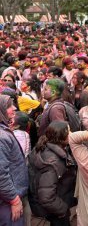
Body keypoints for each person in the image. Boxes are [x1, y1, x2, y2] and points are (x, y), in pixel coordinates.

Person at [28, 121, 77, 226]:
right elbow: (46, 197)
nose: (72, 134)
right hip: (55, 213)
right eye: (69, 131)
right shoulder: (53, 162)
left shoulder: (46, 146)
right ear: (62, 136)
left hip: (52, 208)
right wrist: (63, 209)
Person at [0, 95, 28, 226]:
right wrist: (14, 200)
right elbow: (1, 174)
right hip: (6, 202)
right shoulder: (1, 136)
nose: (14, 108)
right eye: (9, 106)